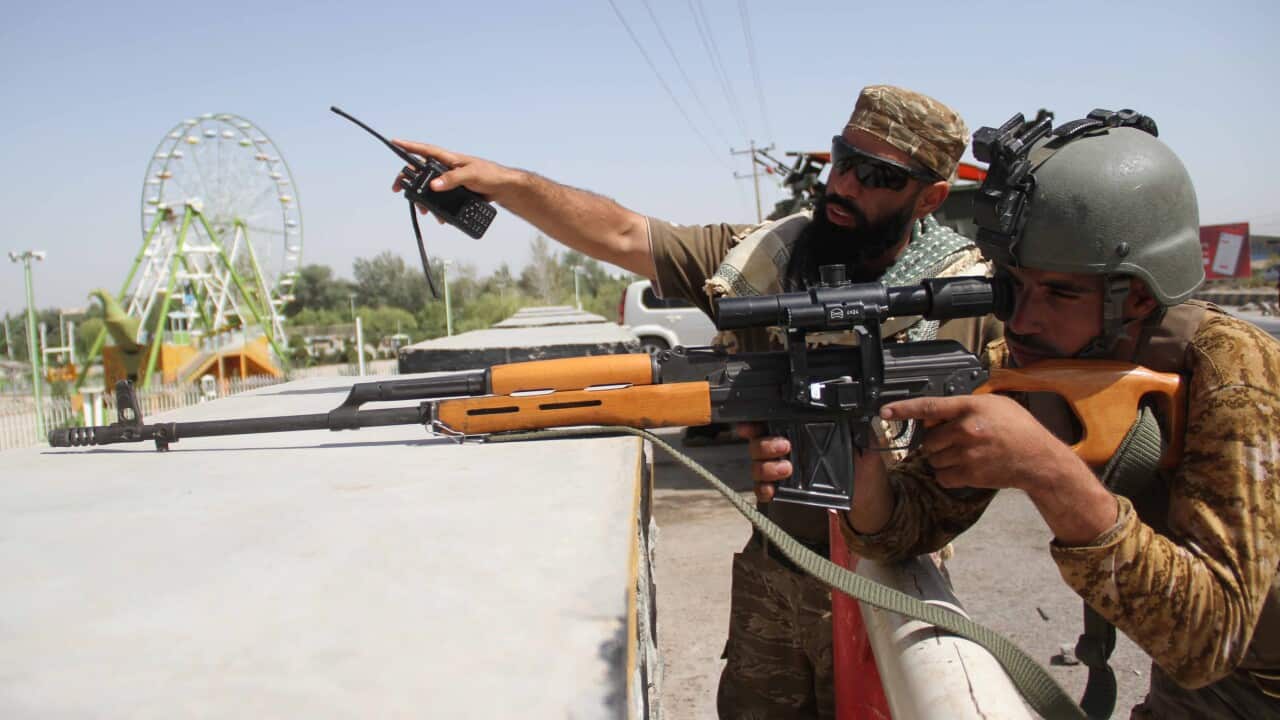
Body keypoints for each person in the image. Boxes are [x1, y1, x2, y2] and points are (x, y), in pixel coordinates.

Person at [393, 85, 995, 718]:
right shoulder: (770, 256)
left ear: (928, 197)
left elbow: (959, 487)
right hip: (776, 575)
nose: (843, 185)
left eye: (875, 176)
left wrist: (863, 452)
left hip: (886, 594)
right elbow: (624, 233)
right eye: (842, 159)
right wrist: (503, 182)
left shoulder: (956, 305)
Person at [750, 109, 1280, 717]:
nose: (1022, 320)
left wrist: (1047, 470)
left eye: (1058, 293)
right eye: (1010, 286)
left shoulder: (1233, 370)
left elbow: (1210, 639)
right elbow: (908, 527)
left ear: (1134, 294)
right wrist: (861, 458)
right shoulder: (1023, 362)